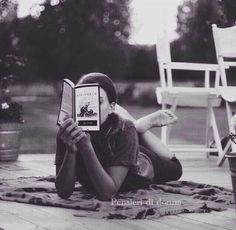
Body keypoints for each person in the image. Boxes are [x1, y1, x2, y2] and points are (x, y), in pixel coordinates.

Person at [55, 72, 182, 201]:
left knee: (176, 167)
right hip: (119, 145)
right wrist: (71, 151)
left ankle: (138, 127)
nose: (91, 110)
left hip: (140, 165)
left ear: (111, 107)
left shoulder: (123, 130)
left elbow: (107, 193)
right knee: (128, 131)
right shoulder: (67, 132)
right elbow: (63, 192)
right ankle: (137, 127)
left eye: (98, 102)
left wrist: (86, 148)